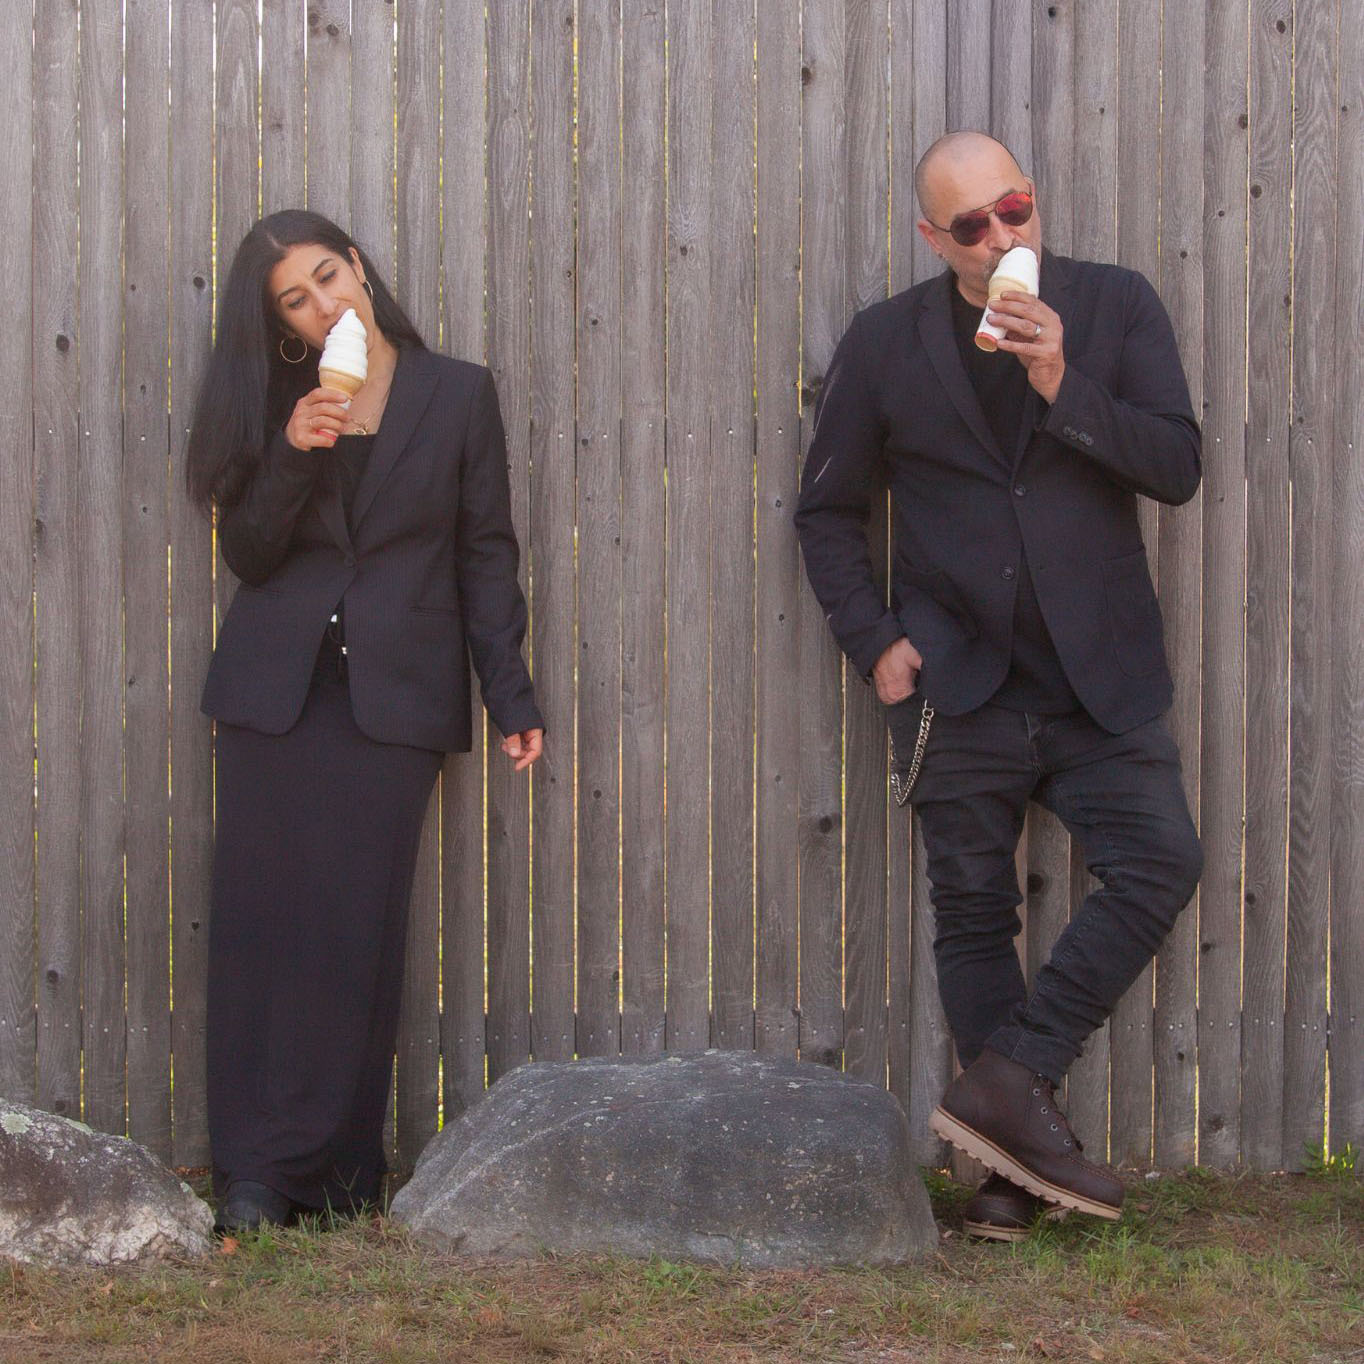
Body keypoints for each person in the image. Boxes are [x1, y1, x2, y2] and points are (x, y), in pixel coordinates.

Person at [794, 132, 1202, 1239]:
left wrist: (1060, 378)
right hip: (953, 679)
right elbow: (823, 510)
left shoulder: (1113, 308)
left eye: (1011, 207)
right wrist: (873, 640)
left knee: (1161, 857)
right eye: (969, 224)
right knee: (974, 913)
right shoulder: (883, 343)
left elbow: (1175, 463)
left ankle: (1005, 1080)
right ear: (934, 237)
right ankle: (1009, 1177)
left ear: (1031, 198)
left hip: (1096, 676)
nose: (999, 235)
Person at [187, 210, 544, 1232]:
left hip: (393, 696)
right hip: (273, 691)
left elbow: (485, 552)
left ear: (362, 268)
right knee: (260, 920)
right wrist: (297, 449)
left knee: (352, 925)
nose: (324, 302)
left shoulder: (457, 392)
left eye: (328, 275)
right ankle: (252, 1174)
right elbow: (250, 556)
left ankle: (335, 1169)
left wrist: (508, 692)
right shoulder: (275, 400)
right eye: (294, 299)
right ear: (284, 325)